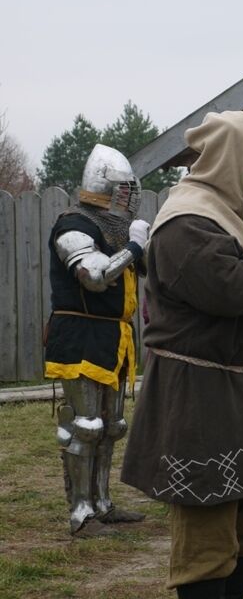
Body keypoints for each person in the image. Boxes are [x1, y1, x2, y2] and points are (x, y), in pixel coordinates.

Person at [121, 110, 243, 599]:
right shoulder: (185, 222)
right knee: (207, 537)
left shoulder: (228, 214)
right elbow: (233, 287)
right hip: (199, 397)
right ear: (231, 158)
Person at [44, 143, 150, 537]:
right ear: (106, 186)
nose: (130, 196)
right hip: (80, 333)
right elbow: (94, 275)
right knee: (86, 425)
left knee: (112, 425)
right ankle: (81, 513)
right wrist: (136, 245)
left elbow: (144, 270)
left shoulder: (116, 228)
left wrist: (141, 246)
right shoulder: (74, 224)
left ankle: (103, 503)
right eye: (124, 189)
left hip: (114, 335)